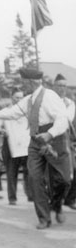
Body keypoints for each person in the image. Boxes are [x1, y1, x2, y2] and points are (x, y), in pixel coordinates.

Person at [0, 68, 72, 229]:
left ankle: (56, 205)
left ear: (31, 82)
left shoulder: (50, 96)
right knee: (34, 179)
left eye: (24, 82)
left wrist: (50, 134)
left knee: (64, 180)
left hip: (55, 140)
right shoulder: (28, 100)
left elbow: (63, 119)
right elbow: (13, 112)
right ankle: (44, 217)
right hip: (35, 141)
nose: (23, 85)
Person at [0, 88, 33, 205]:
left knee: (29, 171)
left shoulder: (28, 111)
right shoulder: (6, 111)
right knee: (12, 172)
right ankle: (12, 198)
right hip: (11, 144)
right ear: (12, 97)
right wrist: (2, 131)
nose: (19, 99)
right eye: (17, 97)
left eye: (21, 97)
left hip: (26, 144)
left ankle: (30, 195)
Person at [53, 73, 76, 210]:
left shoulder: (70, 103)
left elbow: (70, 121)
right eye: (59, 85)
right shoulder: (49, 101)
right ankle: (55, 201)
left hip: (67, 140)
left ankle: (70, 199)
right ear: (54, 86)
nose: (62, 88)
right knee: (56, 175)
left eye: (64, 86)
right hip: (52, 140)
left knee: (74, 169)